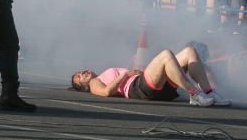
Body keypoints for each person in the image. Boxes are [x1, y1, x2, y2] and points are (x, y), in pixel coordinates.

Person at [69, 46, 221, 107]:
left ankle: (209, 92)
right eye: (79, 77)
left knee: (190, 52)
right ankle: (194, 94)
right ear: (84, 86)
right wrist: (125, 75)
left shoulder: (101, 74)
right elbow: (106, 92)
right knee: (166, 54)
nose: (82, 73)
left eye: (80, 72)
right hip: (139, 89)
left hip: (154, 87)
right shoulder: (95, 83)